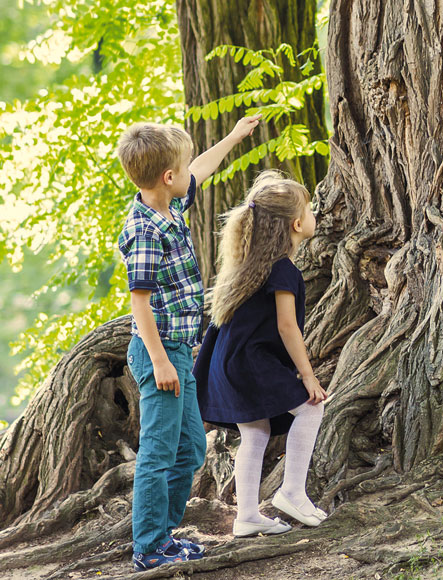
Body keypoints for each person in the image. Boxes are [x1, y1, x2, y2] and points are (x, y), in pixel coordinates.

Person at [117, 115, 261, 571]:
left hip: (179, 350)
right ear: (167, 177)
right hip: (159, 355)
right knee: (159, 453)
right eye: (181, 168)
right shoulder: (146, 229)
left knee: (191, 449)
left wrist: (235, 137)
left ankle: (165, 532)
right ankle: (149, 547)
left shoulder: (169, 207)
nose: (190, 173)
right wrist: (161, 362)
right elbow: (139, 303)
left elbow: (200, 167)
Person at [193, 170, 328, 538]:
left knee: (255, 432)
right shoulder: (282, 270)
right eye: (311, 210)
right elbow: (288, 327)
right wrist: (307, 376)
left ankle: (248, 515)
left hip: (229, 363)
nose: (315, 215)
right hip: (249, 363)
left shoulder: (247, 266)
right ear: (297, 223)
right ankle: (292, 492)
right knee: (311, 406)